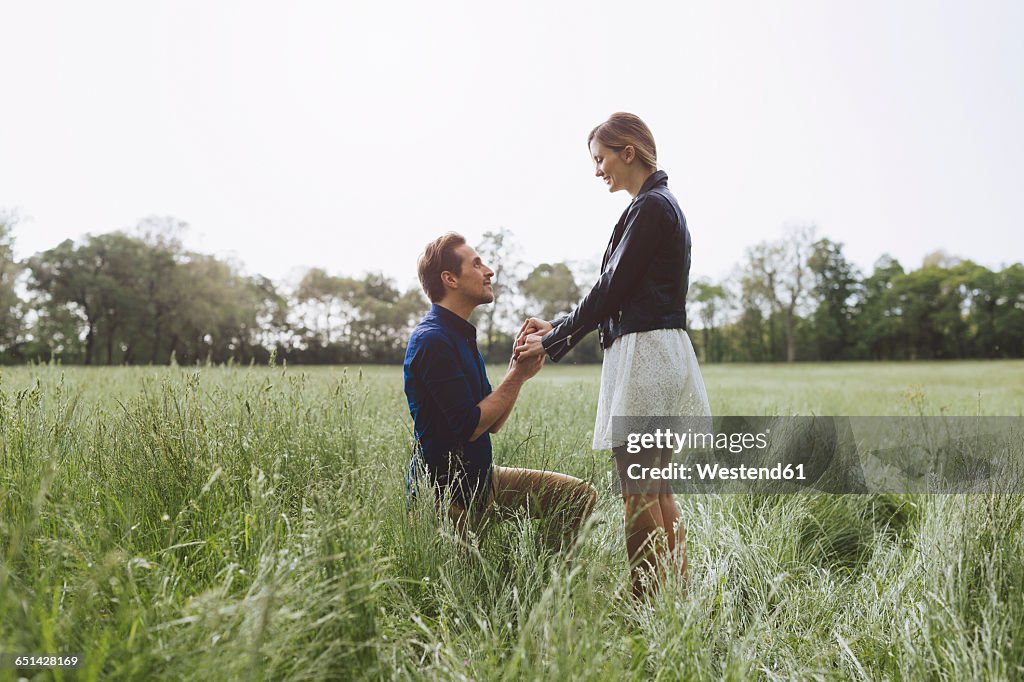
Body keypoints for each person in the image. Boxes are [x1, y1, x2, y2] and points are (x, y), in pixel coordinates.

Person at [515, 112, 711, 598]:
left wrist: (554, 340)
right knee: (654, 489)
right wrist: (560, 326)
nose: (597, 169)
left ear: (629, 152)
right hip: (657, 351)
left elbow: (610, 289)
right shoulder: (659, 205)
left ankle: (648, 604)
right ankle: (675, 599)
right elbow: (620, 295)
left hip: (647, 355)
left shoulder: (651, 209)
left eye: (600, 158)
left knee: (638, 493)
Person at [404, 232, 597, 547]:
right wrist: (517, 376)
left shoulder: (460, 335)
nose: (489, 271)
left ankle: (547, 582)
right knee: (478, 591)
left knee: (577, 497)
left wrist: (516, 373)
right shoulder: (433, 340)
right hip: (447, 501)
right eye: (477, 264)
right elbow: (470, 426)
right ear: (450, 279)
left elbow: (492, 423)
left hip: (483, 483)